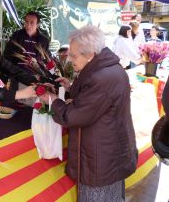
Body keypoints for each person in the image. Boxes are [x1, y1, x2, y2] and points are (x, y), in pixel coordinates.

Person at [40, 25, 138, 202]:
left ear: (91, 54)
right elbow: (93, 102)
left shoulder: (102, 77)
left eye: (73, 56)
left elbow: (73, 116)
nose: (69, 60)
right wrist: (70, 86)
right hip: (109, 154)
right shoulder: (108, 69)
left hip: (100, 161)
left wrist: (53, 100)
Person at [3, 11, 50, 88]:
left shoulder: (44, 40)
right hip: (16, 76)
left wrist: (53, 72)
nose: (28, 25)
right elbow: (7, 55)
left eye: (32, 23)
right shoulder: (17, 35)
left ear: (37, 25)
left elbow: (47, 60)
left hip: (35, 78)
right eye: (26, 22)